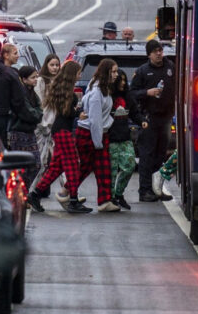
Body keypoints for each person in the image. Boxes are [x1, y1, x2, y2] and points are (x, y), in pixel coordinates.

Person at [26, 60, 92, 214]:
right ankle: (73, 200)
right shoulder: (68, 92)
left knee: (56, 167)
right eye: (78, 72)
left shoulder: (61, 88)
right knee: (73, 166)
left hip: (59, 130)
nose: (80, 75)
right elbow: (67, 113)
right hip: (64, 132)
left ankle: (34, 194)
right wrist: (78, 114)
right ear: (72, 74)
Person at [71, 58, 120, 212]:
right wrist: (97, 142)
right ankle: (67, 190)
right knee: (85, 167)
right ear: (106, 72)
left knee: (103, 167)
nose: (116, 75)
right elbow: (95, 120)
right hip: (90, 134)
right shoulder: (97, 92)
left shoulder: (102, 88)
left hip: (98, 134)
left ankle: (104, 201)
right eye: (113, 71)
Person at [131, 39, 175, 202]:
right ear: (149, 54)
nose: (159, 53)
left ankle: (157, 189)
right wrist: (147, 93)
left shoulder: (170, 67)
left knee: (160, 155)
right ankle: (144, 191)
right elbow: (132, 93)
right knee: (146, 155)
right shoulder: (143, 71)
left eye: (160, 50)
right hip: (149, 118)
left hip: (166, 118)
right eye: (155, 51)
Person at [108, 69, 145, 210]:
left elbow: (135, 112)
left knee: (129, 166)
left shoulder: (128, 96)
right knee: (111, 170)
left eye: (124, 80)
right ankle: (110, 198)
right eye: (120, 80)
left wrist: (142, 121)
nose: (123, 83)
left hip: (124, 136)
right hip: (110, 137)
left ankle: (119, 193)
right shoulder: (107, 96)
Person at [8, 65, 43, 187]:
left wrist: (37, 114)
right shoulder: (20, 94)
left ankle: (24, 190)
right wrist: (37, 114)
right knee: (20, 167)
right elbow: (29, 113)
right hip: (19, 133)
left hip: (30, 132)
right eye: (33, 77)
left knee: (36, 165)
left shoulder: (33, 93)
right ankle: (20, 192)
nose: (35, 80)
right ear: (24, 79)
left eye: (36, 77)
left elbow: (39, 109)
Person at [32, 53, 61, 197]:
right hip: (43, 125)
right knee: (42, 160)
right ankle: (34, 191)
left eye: (57, 65)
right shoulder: (41, 81)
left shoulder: (60, 81)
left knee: (58, 159)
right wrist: (42, 123)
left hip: (56, 125)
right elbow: (39, 102)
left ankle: (65, 191)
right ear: (46, 65)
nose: (55, 68)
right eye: (52, 65)